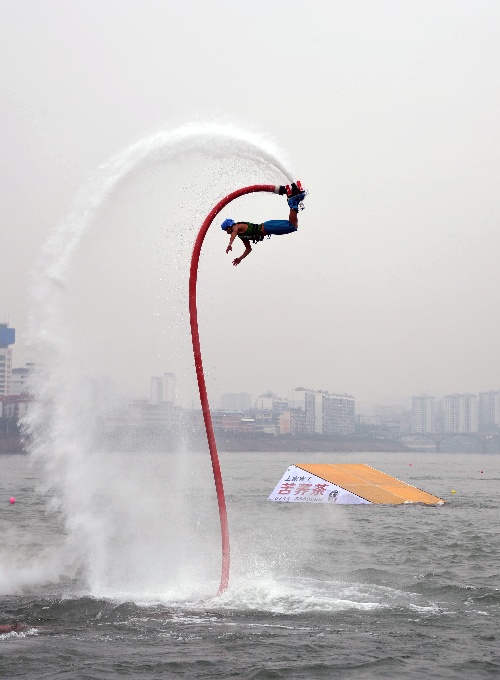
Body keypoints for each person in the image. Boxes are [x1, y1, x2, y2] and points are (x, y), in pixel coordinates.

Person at [222, 182, 306, 266]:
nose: (226, 232)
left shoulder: (237, 226)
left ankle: (292, 200)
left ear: (229, 226)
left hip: (267, 227)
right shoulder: (241, 236)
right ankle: (295, 199)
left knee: (292, 226)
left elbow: (234, 231)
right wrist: (240, 258)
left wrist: (230, 244)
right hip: (269, 228)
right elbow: (248, 249)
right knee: (293, 225)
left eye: (226, 229)